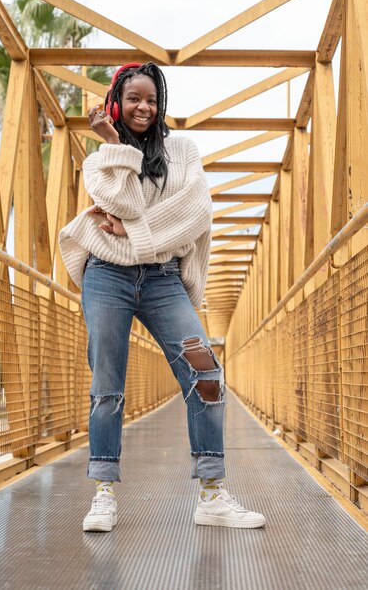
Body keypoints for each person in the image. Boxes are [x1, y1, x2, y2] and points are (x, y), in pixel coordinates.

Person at [58, 62, 266, 532]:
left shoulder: (183, 151)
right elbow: (126, 203)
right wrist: (113, 145)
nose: (143, 108)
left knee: (206, 372)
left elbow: (195, 214)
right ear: (117, 101)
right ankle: (104, 494)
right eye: (133, 98)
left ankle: (212, 494)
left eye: (151, 99)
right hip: (107, 275)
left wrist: (131, 233)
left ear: (161, 102)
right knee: (107, 387)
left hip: (162, 279)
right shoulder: (100, 160)